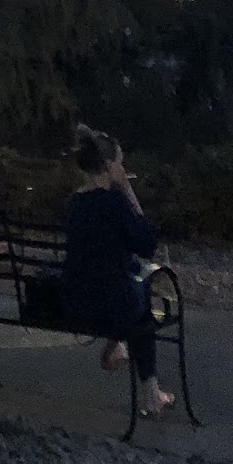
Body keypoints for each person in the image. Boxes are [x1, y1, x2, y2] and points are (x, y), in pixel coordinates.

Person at [62, 125, 174, 416]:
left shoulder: (74, 203)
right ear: (109, 166)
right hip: (110, 305)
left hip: (75, 302)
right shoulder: (114, 202)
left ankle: (119, 345)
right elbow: (147, 244)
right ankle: (150, 392)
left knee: (132, 284)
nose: (123, 170)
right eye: (121, 163)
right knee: (143, 298)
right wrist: (129, 192)